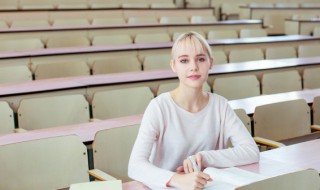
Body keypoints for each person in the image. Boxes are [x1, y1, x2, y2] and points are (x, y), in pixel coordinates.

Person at [128, 31, 259, 190]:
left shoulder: (220, 105)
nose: (193, 67)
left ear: (210, 63)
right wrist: (176, 179)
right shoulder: (159, 107)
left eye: (201, 59)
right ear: (173, 66)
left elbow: (251, 151)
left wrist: (204, 158)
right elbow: (135, 165)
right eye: (184, 60)